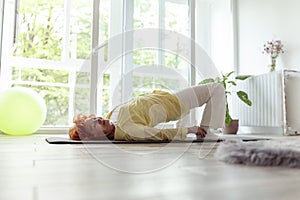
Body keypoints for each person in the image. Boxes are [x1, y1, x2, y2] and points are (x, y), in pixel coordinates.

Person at [69, 83, 226, 141]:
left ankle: (207, 129)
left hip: (167, 97)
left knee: (213, 90)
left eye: (94, 118)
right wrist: (189, 130)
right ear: (96, 136)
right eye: (94, 124)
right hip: (175, 103)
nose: (99, 119)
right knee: (216, 88)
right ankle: (208, 131)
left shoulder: (112, 119)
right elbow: (158, 134)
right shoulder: (128, 130)